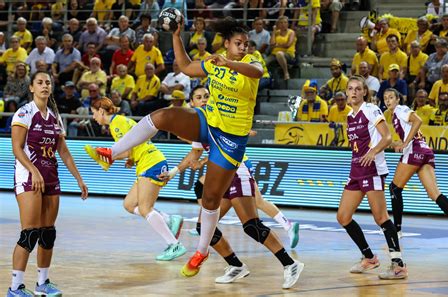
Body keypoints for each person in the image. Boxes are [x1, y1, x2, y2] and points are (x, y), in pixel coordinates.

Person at [88, 18, 303, 285]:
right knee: (164, 116)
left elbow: (256, 72)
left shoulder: (252, 59)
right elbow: (187, 67)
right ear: (226, 44)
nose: (243, 47)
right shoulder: (215, 62)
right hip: (209, 122)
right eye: (238, 44)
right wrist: (177, 35)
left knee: (223, 208)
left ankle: (205, 253)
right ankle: (111, 151)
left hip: (231, 143)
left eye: (245, 43)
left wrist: (231, 63)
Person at [163, 85, 303, 287]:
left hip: (236, 170)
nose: (203, 100)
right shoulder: (199, 126)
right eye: (199, 97)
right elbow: (194, 155)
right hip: (219, 176)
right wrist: (173, 172)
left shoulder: (221, 115)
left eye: (206, 96)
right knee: (205, 229)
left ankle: (290, 264)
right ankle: (236, 265)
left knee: (251, 226)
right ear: (191, 103)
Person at [7, 71, 88, 296]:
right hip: (29, 177)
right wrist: (33, 170)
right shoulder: (24, 113)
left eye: (48, 83)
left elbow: (63, 151)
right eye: (40, 82)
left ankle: (43, 283)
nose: (44, 86)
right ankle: (15, 288)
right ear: (32, 88)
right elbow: (16, 147)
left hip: (51, 176)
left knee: (48, 233)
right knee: (29, 233)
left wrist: (79, 179)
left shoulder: (54, 116)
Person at [85, 97, 187, 261]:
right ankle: (169, 219)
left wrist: (103, 155)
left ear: (101, 111)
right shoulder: (122, 120)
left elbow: (122, 150)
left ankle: (174, 244)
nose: (94, 117)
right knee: (129, 204)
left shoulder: (115, 124)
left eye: (94, 113)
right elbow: (132, 146)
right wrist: (130, 158)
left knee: (146, 208)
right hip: (147, 161)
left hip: (150, 162)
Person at [337, 76, 407, 280]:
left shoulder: (371, 110)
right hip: (356, 170)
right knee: (343, 216)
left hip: (372, 168)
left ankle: (398, 264)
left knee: (381, 217)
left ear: (364, 92)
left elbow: (387, 137)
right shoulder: (350, 115)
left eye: (358, 89)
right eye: (350, 88)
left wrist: (373, 151)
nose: (353, 92)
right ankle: (369, 258)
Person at [383, 88, 448, 243]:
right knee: (434, 194)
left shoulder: (401, 110)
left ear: (397, 100)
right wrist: (395, 143)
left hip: (414, 150)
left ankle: (397, 229)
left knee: (394, 188)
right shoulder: (395, 115)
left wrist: (405, 142)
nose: (388, 100)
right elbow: (409, 132)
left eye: (391, 97)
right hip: (425, 150)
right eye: (385, 98)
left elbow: (418, 121)